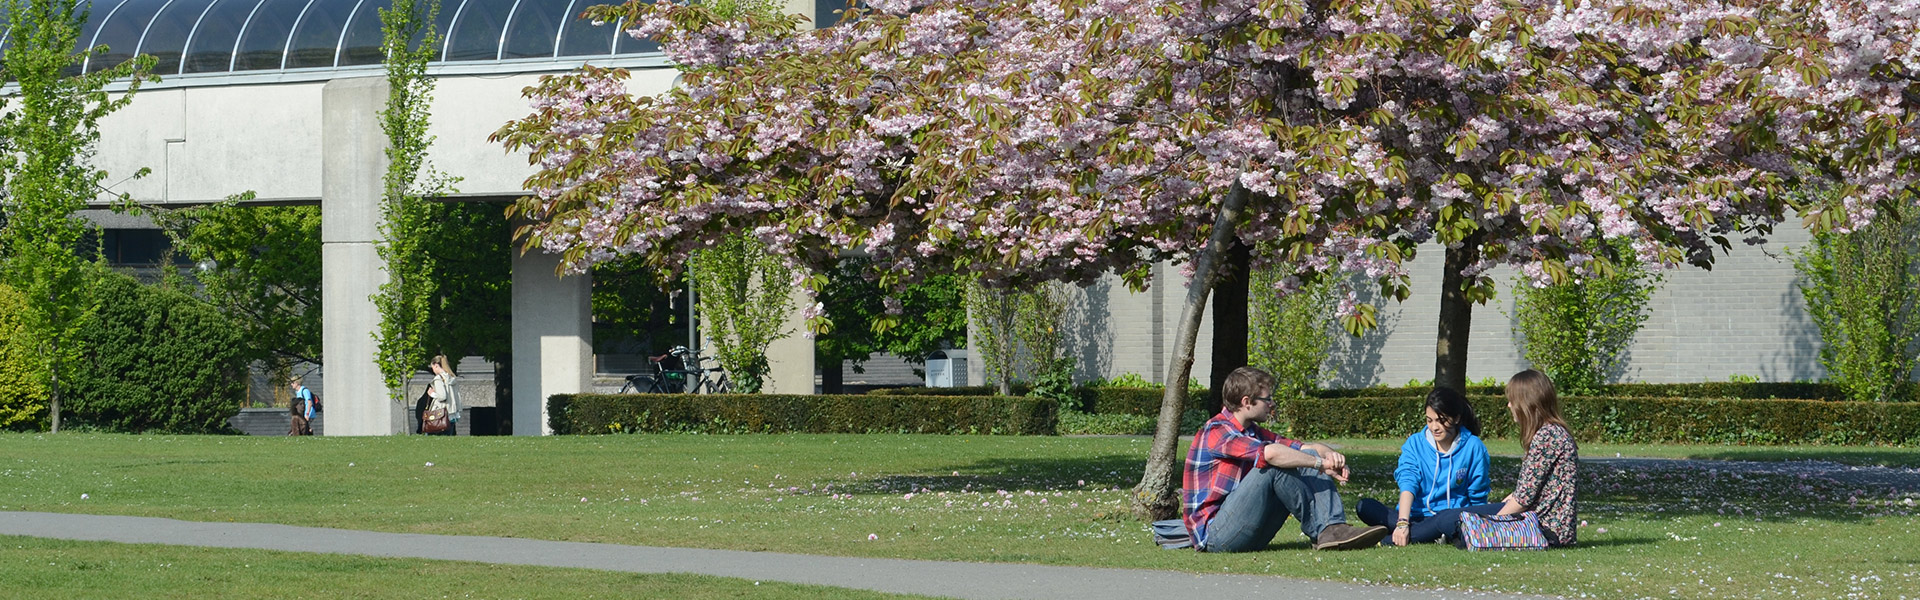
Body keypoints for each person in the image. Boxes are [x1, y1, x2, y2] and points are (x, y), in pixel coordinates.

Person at [1182, 366, 1390, 552]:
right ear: (1246, 402)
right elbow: (1271, 454)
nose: (1271, 404)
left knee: (1302, 455)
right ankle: (1326, 530)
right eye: (1267, 399)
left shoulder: (1254, 432)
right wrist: (1319, 464)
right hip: (1217, 537)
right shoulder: (1217, 431)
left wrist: (1331, 456)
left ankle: (1332, 529)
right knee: (1275, 463)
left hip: (1248, 532)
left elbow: (1306, 448)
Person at [1421, 369, 1580, 548]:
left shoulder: (1547, 436)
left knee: (1448, 519)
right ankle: (1392, 527)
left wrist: (1490, 524)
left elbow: (1523, 500)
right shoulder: (1554, 433)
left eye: (1512, 401)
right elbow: (1536, 488)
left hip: (1544, 528)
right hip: (1546, 522)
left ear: (1527, 403)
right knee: (1447, 517)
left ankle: (1392, 534)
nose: (1509, 406)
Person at [1355, 387, 1491, 545]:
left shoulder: (1474, 447)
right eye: (1429, 420)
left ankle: (1386, 540)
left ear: (1456, 418)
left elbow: (1478, 492)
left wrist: (1479, 525)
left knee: (1445, 523)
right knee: (1364, 506)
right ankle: (1429, 535)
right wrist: (1403, 523)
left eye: (1441, 420)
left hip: (1449, 517)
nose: (1434, 427)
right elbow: (1408, 482)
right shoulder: (1415, 443)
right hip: (1415, 516)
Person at [415, 355, 459, 436]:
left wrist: (432, 394)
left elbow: (442, 396)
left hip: (440, 415)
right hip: (452, 413)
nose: (433, 370)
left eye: (433, 367)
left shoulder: (439, 379)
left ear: (436, 365)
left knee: (432, 440)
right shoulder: (452, 378)